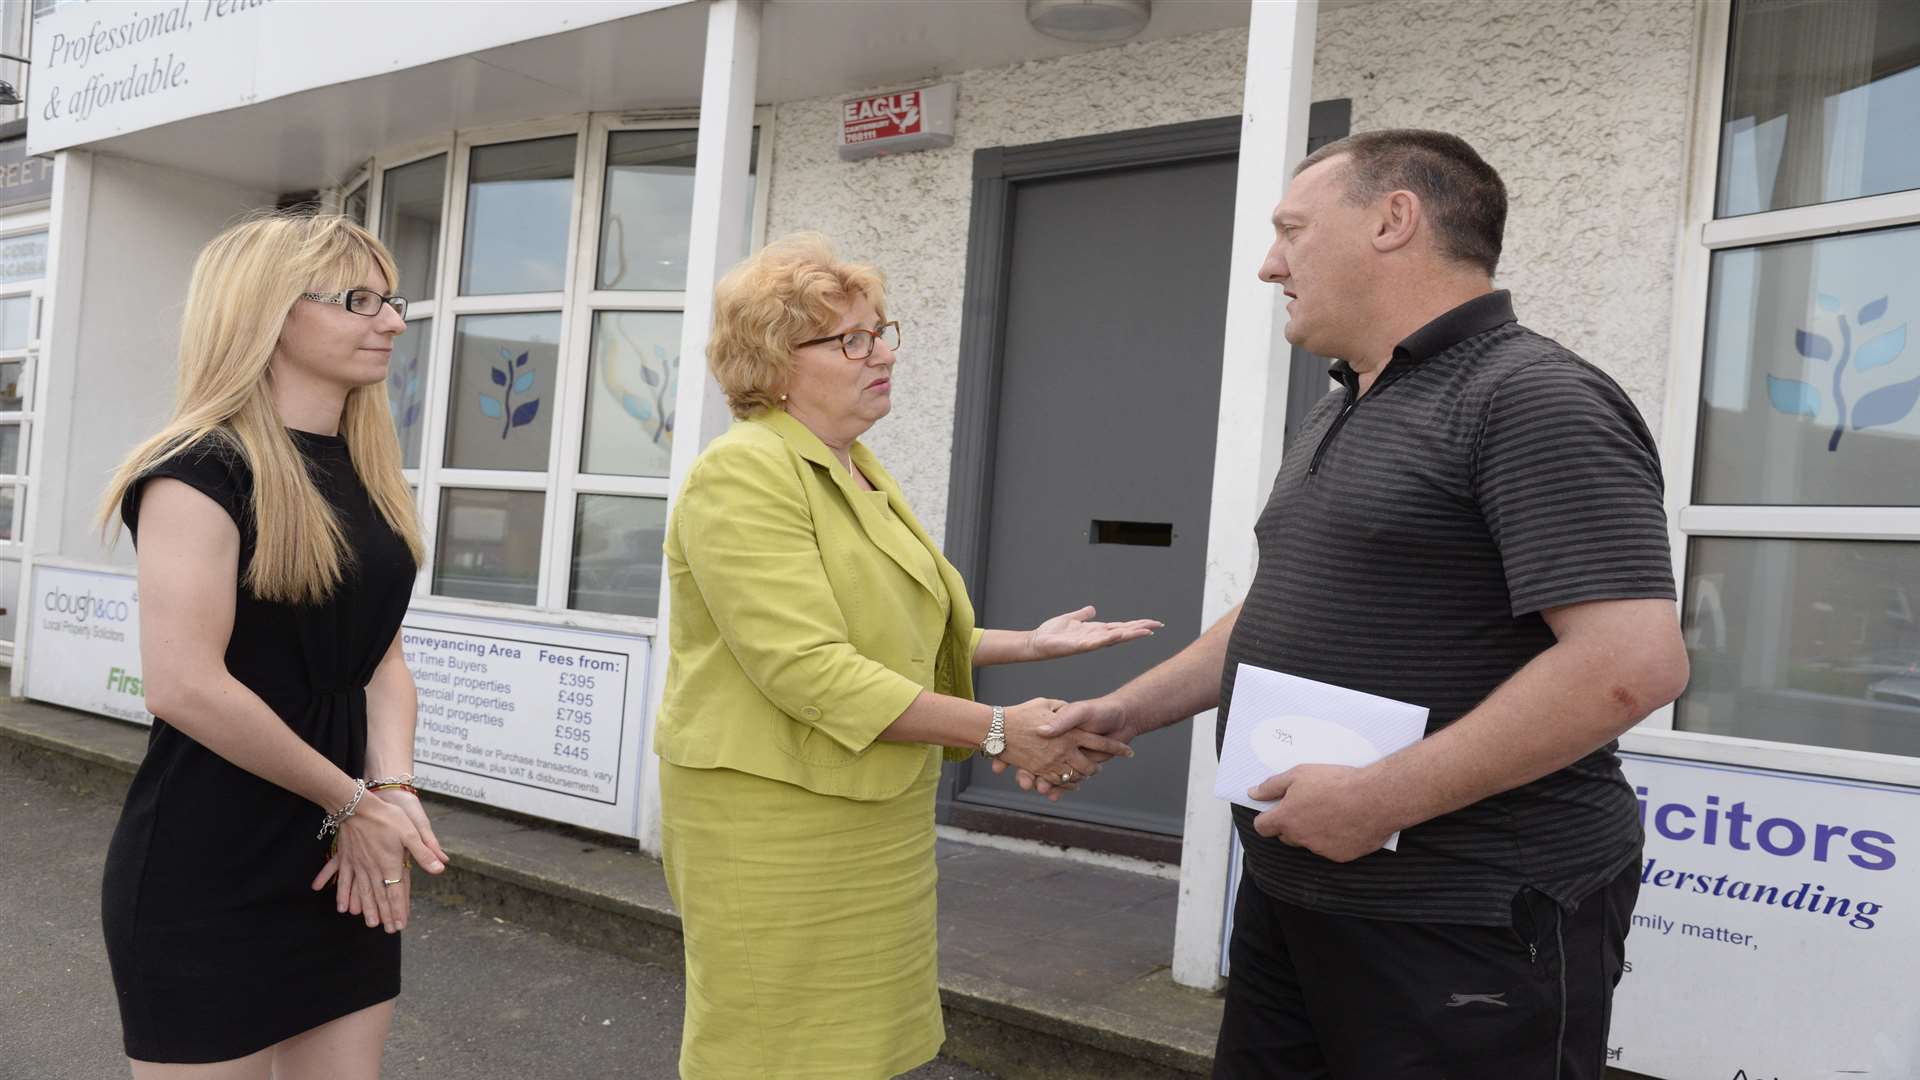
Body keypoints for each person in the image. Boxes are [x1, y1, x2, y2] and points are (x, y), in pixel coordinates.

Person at [1028, 130, 1690, 1078]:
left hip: (1463, 918)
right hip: (1301, 893)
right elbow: (1281, 608)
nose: (1268, 265)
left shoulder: (1533, 396)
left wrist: (1380, 798)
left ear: (1393, 219)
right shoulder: (1346, 401)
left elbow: (1631, 664)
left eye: (1291, 230)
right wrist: (1125, 709)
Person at [655, 232, 1158, 1079]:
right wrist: (999, 728)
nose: (882, 353)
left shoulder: (852, 467)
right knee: (778, 1049)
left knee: (863, 1045)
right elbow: (808, 666)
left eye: (883, 331)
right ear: (775, 360)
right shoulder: (743, 474)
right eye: (851, 339)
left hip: (870, 808)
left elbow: (890, 632)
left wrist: (1030, 643)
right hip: (775, 819)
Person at [97, 212, 449, 1079]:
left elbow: (380, 663)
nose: (394, 321)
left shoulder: (363, 470)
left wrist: (391, 793)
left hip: (343, 862)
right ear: (270, 314)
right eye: (358, 300)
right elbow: (184, 687)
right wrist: (352, 802)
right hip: (210, 867)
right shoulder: (197, 469)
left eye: (390, 299)